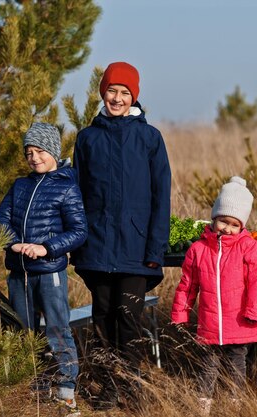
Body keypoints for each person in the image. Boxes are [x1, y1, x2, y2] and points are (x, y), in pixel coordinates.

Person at [71, 61, 171, 408]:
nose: (116, 98)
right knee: (101, 319)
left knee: (128, 318)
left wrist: (155, 248)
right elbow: (77, 195)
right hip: (96, 246)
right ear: (103, 93)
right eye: (111, 91)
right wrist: (79, 244)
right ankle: (108, 390)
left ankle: (132, 388)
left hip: (136, 248)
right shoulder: (87, 138)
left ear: (134, 97)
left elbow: (162, 197)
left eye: (124, 92)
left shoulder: (149, 138)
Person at [0, 122, 88, 412]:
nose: (34, 158)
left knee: (58, 329)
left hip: (49, 273)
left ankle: (66, 388)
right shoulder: (20, 185)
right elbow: (1, 221)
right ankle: (33, 385)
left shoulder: (67, 186)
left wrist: (46, 248)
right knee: (25, 331)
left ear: (54, 152)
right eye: (29, 152)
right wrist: (14, 244)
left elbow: (78, 230)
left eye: (40, 151)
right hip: (18, 273)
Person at [171, 176, 257, 414]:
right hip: (210, 322)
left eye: (234, 225)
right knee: (208, 364)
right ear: (214, 218)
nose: (227, 229)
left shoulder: (249, 248)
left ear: (242, 226)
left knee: (237, 363)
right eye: (223, 222)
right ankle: (203, 403)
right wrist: (180, 313)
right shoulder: (198, 250)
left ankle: (235, 403)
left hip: (240, 321)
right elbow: (187, 284)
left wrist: (255, 312)